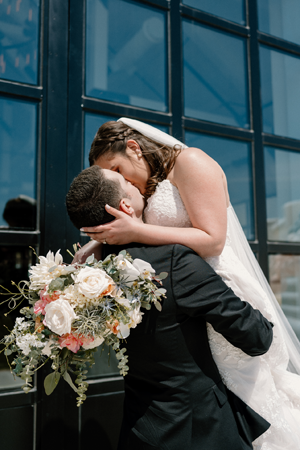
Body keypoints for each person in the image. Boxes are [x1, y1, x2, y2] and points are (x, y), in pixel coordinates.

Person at [77, 119, 300, 449]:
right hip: (184, 302)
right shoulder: (148, 185)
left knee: (248, 390)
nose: (122, 182)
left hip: (215, 288)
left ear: (135, 148)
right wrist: (102, 241)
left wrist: (135, 232)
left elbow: (213, 241)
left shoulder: (191, 161)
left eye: (118, 169)